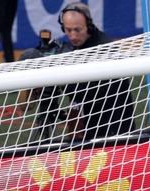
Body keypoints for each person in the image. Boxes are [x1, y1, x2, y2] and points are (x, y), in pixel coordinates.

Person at [55, 2, 136, 141]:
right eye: (68, 30)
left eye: (77, 30)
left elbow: (89, 92)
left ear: (89, 26)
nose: (73, 36)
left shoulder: (103, 49)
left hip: (113, 128)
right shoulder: (78, 46)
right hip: (92, 123)